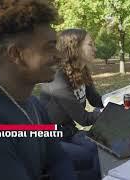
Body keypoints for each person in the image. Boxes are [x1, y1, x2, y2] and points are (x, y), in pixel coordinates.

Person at [0, 0, 76, 180]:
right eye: (50, 47)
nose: (59, 56)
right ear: (16, 54)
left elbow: (58, 159)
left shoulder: (34, 105)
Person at [40, 28, 102, 180]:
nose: (95, 48)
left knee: (101, 148)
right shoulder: (57, 77)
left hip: (69, 131)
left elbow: (96, 101)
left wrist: (120, 105)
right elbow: (84, 119)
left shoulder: (82, 70)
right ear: (75, 48)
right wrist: (109, 114)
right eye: (90, 44)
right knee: (89, 156)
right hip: (48, 138)